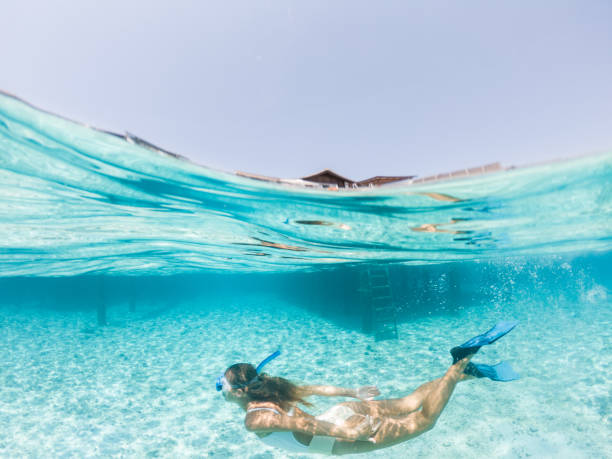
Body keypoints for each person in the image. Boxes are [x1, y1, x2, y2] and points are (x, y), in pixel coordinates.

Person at [216, 321, 519, 455]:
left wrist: (349, 433)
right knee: (409, 401)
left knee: (423, 421)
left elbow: (304, 423)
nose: (222, 390)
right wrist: (353, 394)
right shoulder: (272, 389)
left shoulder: (254, 419)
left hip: (335, 436)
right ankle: (467, 372)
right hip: (341, 413)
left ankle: (460, 362)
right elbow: (316, 389)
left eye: (223, 387)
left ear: (239, 391)